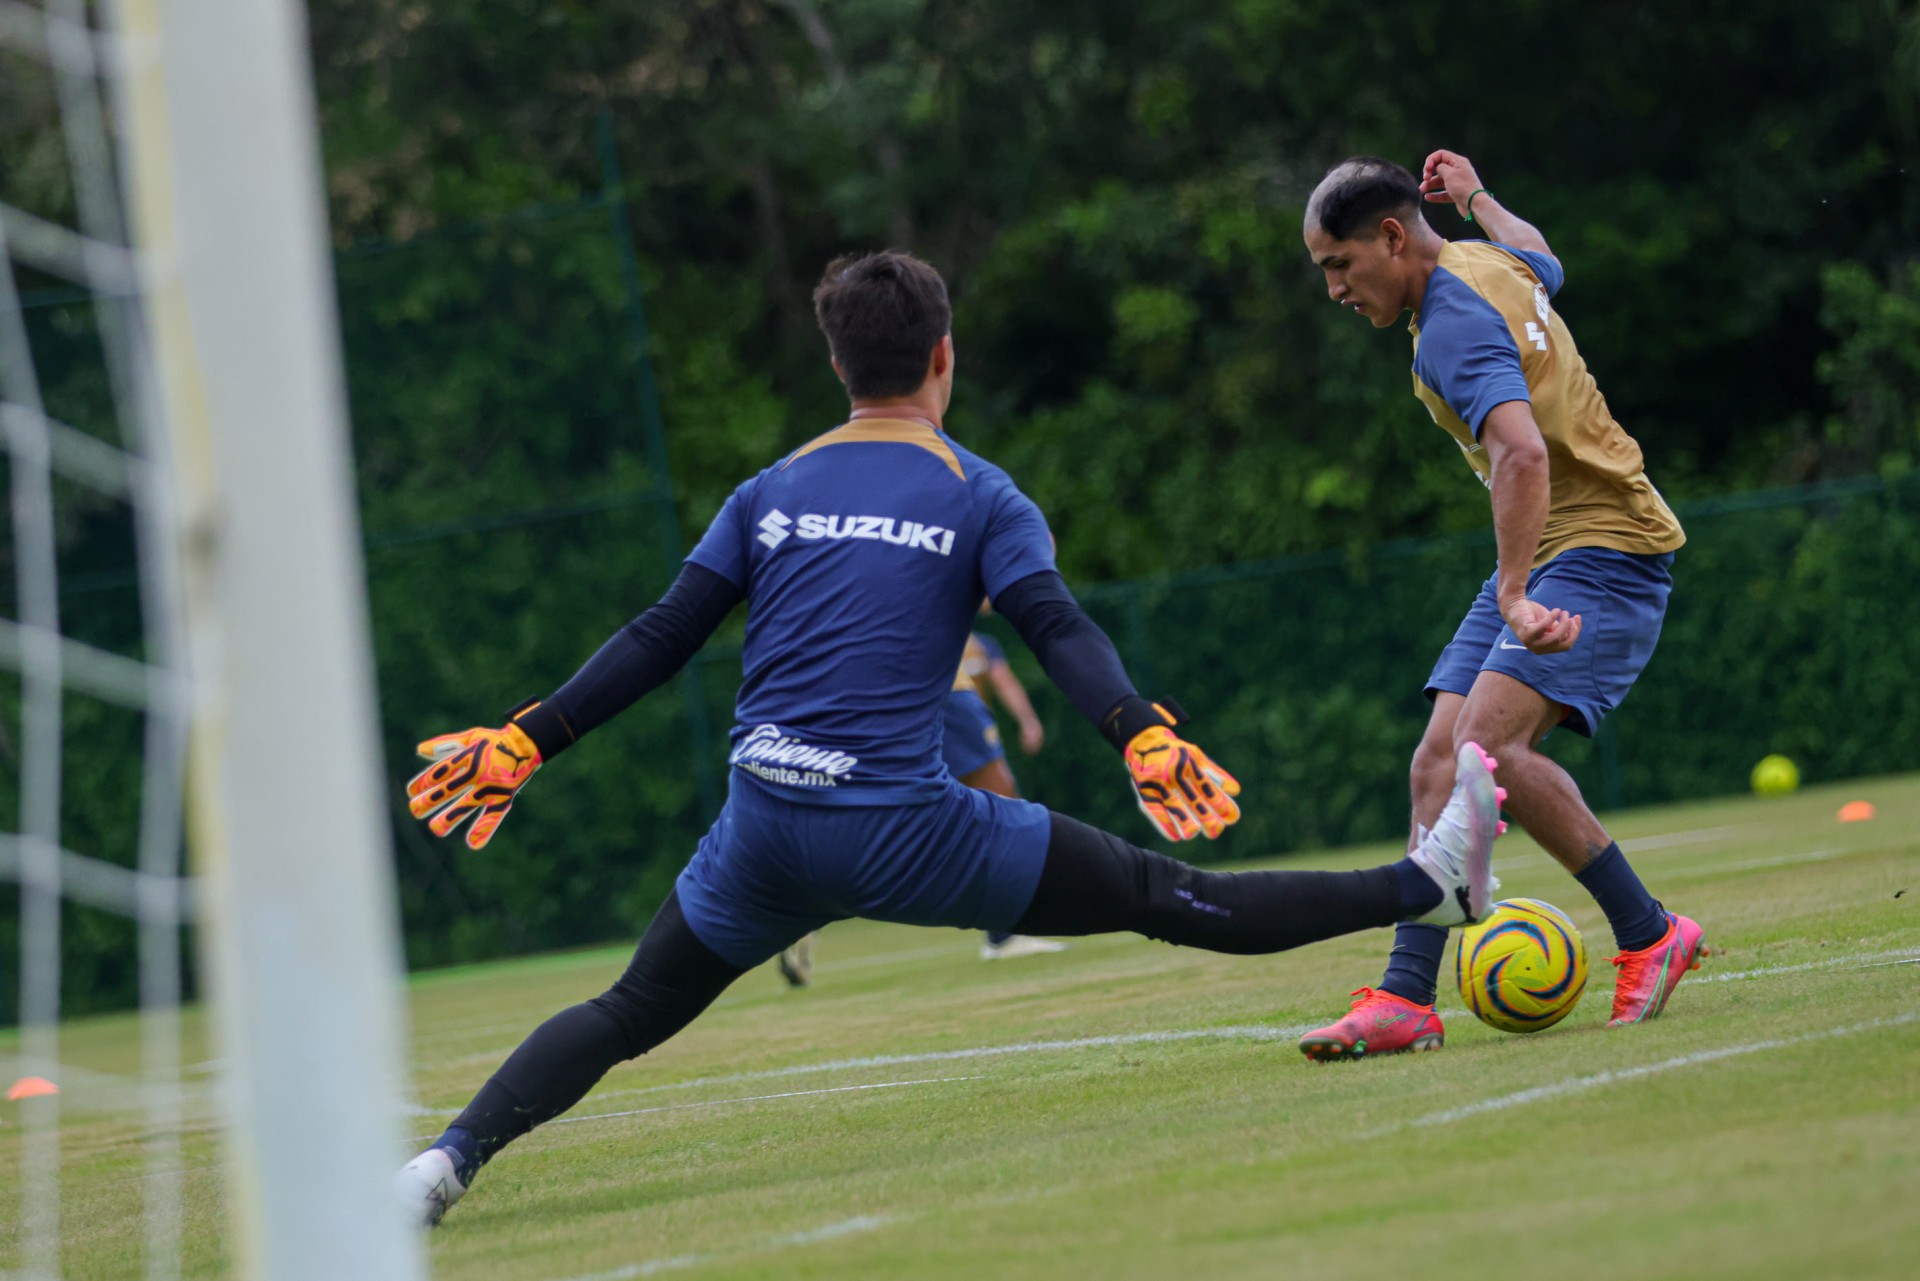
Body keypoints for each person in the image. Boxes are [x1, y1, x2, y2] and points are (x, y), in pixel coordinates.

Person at [395, 250, 1501, 1225]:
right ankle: (1426, 887)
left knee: (628, 1009)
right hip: (906, 833)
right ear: (943, 356)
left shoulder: (769, 489)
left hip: (764, 827)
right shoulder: (981, 493)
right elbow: (1052, 625)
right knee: (1169, 897)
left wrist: (527, 740)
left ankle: (443, 1163)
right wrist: (1137, 732)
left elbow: (662, 634)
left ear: (838, 365)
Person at [1294, 152, 1704, 1061]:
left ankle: (1650, 934)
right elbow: (1542, 255)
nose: (1334, 289)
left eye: (1339, 265)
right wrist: (1478, 199)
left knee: (1489, 747)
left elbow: (1522, 454)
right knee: (1439, 760)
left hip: (1604, 544)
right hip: (1558, 542)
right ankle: (1406, 995)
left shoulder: (1450, 323)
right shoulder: (1486, 260)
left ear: (1391, 237)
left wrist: (1514, 594)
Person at [777, 626, 1062, 986]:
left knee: (894, 822)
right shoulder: (957, 628)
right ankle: (1004, 935)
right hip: (939, 684)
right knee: (1002, 804)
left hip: (882, 687)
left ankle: (803, 910)